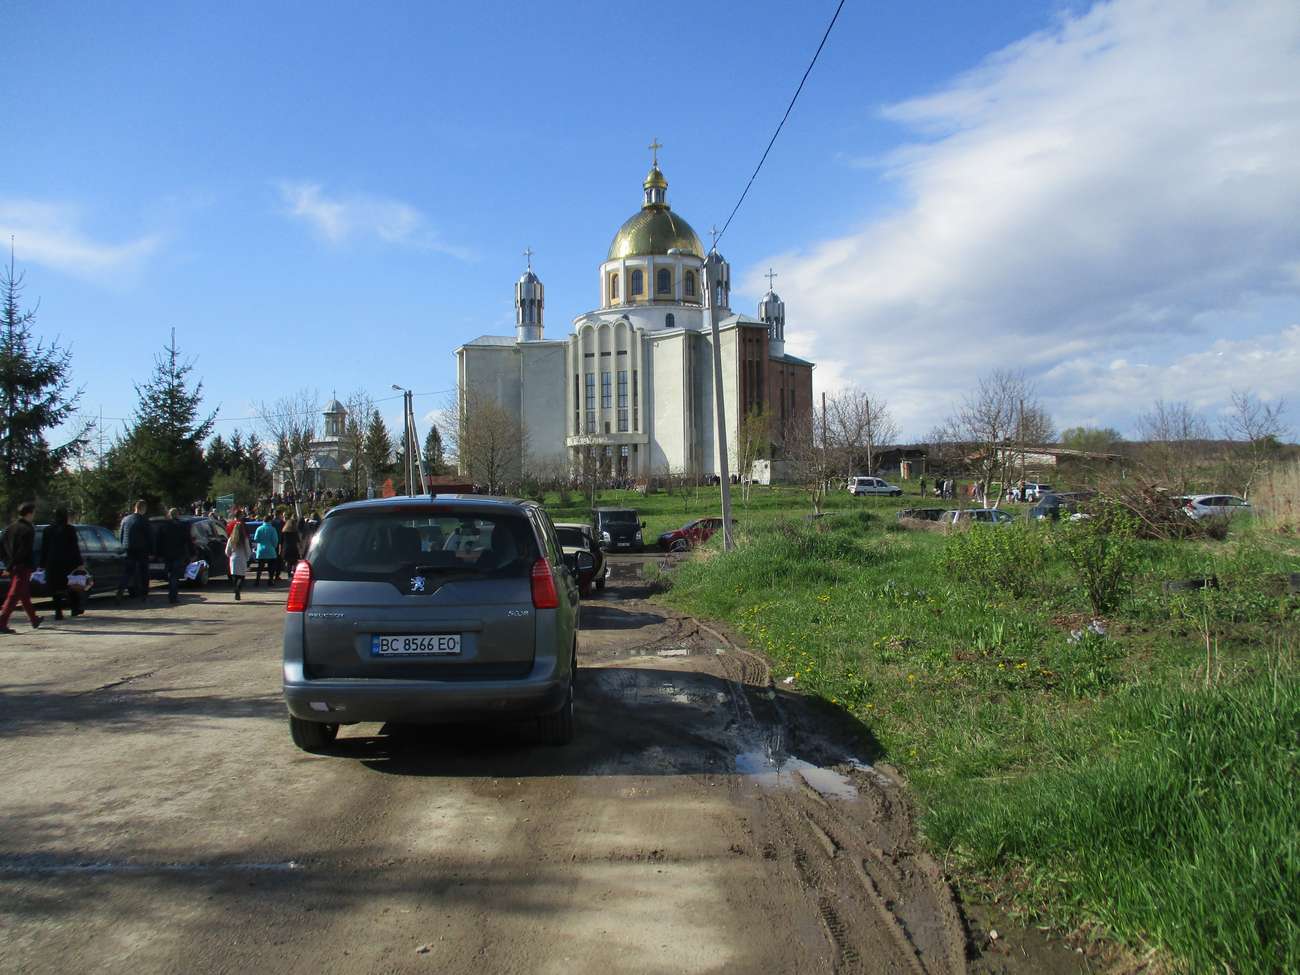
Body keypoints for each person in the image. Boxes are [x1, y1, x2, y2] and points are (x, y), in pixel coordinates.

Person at [0, 502, 43, 634]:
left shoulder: (10, 528)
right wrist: (12, 564)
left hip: (13, 565)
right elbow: (23, 551)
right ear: (29, 513)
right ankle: (2, 622)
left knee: (23, 593)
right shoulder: (28, 529)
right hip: (22, 566)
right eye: (34, 512)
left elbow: (1, 547)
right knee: (14, 595)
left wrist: (7, 563)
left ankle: (34, 619)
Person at [41, 508, 86, 621]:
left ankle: (58, 612)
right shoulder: (70, 529)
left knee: (55, 587)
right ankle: (75, 608)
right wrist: (79, 562)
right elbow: (74, 547)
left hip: (52, 562)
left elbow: (44, 548)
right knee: (71, 584)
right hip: (68, 562)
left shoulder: (47, 530)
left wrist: (42, 563)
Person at [116, 500, 153, 603]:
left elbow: (121, 534)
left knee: (127, 573)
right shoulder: (144, 520)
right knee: (144, 573)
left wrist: (122, 546)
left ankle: (120, 593)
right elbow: (149, 537)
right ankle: (144, 595)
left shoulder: (125, 519)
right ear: (143, 508)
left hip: (128, 549)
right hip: (142, 550)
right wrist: (152, 551)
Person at [158, 508, 191, 605]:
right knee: (174, 576)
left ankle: (171, 594)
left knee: (169, 574)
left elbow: (159, 541)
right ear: (178, 515)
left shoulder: (164, 526)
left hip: (167, 554)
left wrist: (158, 554)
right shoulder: (182, 526)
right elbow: (187, 540)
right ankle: (173, 596)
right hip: (178, 554)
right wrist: (191, 553)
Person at [226, 520, 251, 601]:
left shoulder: (231, 539)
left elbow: (227, 551)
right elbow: (248, 550)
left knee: (234, 576)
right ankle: (238, 588)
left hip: (233, 559)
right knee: (241, 576)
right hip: (242, 558)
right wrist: (248, 558)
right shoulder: (245, 540)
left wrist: (229, 555)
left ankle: (235, 587)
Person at [253, 517, 280, 587]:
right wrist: (274, 546)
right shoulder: (273, 529)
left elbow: (256, 539)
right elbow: (275, 540)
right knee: (271, 567)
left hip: (261, 550)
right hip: (270, 550)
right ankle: (270, 580)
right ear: (270, 521)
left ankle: (257, 580)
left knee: (260, 567)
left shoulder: (259, 528)